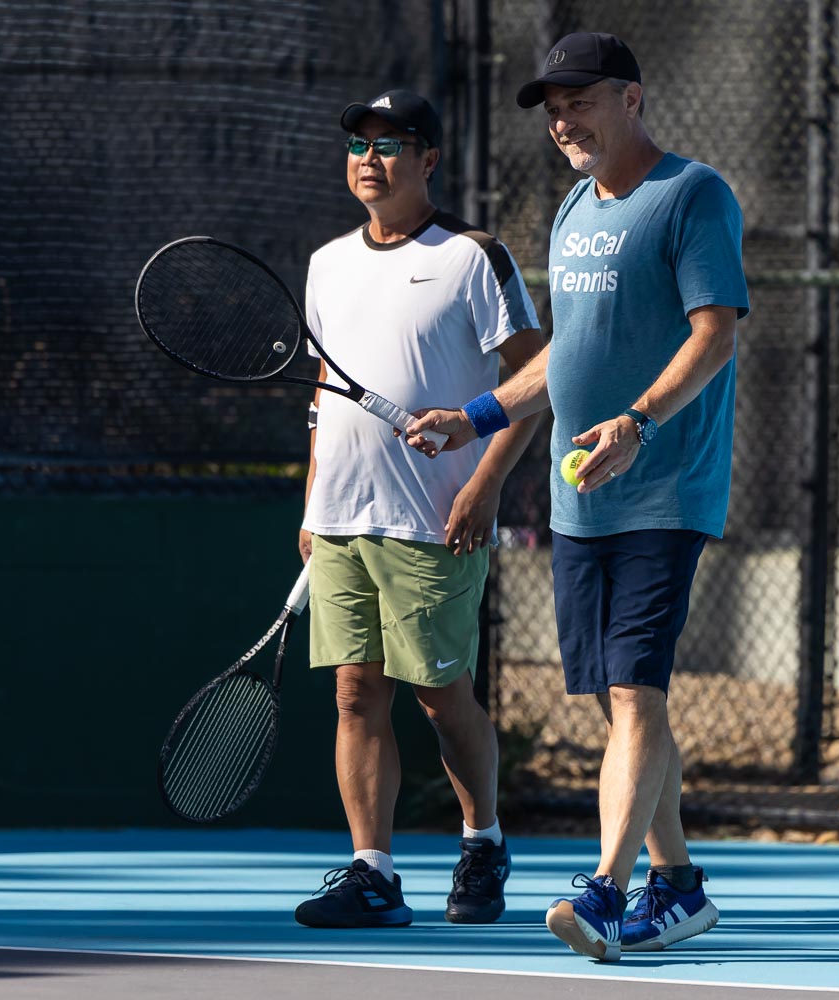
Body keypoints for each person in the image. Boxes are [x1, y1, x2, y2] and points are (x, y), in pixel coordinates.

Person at [403, 33, 749, 960]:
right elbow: (568, 350)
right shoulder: (571, 209)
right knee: (619, 700)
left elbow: (714, 333)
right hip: (579, 499)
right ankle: (679, 886)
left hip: (663, 490)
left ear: (631, 99)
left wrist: (638, 423)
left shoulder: (693, 195)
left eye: (580, 102)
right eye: (553, 110)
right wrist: (475, 417)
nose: (563, 122)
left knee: (634, 693)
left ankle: (606, 893)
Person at [294, 88, 544, 929]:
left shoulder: (474, 257)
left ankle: (483, 840)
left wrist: (485, 483)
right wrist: (313, 499)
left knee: (440, 694)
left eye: (390, 144)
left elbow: (536, 381)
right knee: (355, 694)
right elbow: (326, 390)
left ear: (428, 159)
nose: (370, 159)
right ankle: (373, 873)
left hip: (436, 519)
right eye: (358, 145)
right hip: (341, 518)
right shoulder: (327, 263)